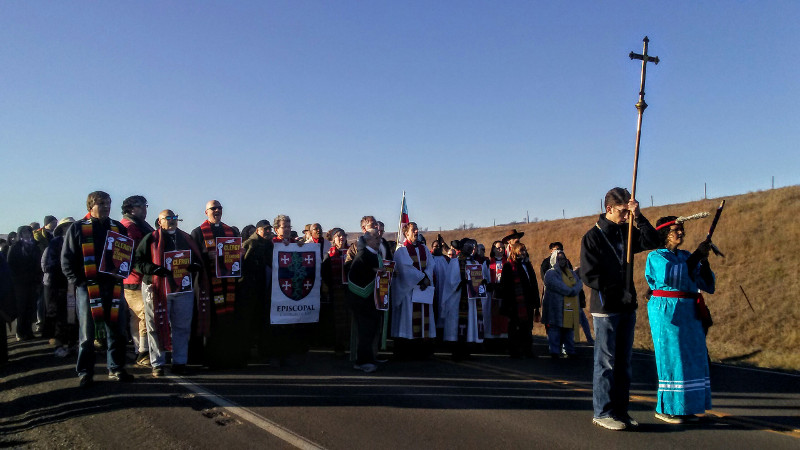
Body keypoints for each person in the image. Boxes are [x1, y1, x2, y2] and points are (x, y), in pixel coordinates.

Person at [580, 187, 660, 430]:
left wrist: (640, 215)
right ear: (609, 209)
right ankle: (602, 412)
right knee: (606, 362)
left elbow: (653, 241)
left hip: (627, 306)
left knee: (624, 362)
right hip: (606, 308)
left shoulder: (627, 232)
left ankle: (620, 411)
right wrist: (617, 290)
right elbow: (589, 275)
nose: (627, 216)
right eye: (624, 211)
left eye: (629, 211)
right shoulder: (592, 237)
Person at [646, 216, 715, 424]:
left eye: (682, 230)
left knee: (692, 357)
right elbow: (671, 276)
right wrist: (695, 258)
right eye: (676, 230)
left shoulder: (685, 255)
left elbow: (705, 282)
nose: (681, 233)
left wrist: (703, 260)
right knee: (672, 357)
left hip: (690, 311)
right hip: (667, 312)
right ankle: (666, 408)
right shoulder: (656, 257)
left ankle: (689, 407)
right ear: (664, 233)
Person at [61, 191, 133, 387]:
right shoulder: (78, 228)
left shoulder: (117, 228)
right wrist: (79, 282)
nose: (106, 207)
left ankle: (116, 368)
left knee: (117, 332)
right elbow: (67, 260)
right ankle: (85, 372)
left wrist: (124, 270)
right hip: (89, 287)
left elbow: (128, 255)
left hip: (114, 287)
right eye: (101, 203)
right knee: (87, 334)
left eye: (108, 203)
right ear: (90, 206)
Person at [136, 209, 207, 376]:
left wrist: (194, 266)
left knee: (182, 326)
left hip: (182, 288)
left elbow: (196, 258)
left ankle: (180, 362)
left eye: (174, 217)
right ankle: (158, 363)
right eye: (167, 218)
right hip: (158, 287)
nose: (172, 220)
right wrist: (153, 269)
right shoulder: (151, 238)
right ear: (159, 221)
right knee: (156, 325)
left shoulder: (186, 238)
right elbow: (138, 261)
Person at [190, 200, 246, 368]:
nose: (217, 210)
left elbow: (235, 255)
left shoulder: (231, 231)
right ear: (206, 212)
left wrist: (239, 254)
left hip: (227, 282)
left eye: (219, 208)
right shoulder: (198, 232)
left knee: (227, 319)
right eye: (213, 208)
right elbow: (192, 257)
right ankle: (209, 358)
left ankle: (226, 356)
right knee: (210, 319)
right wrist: (207, 256)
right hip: (207, 282)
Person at [391, 222, 436, 359]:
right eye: (413, 229)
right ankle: (407, 351)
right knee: (408, 321)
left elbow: (431, 265)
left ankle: (423, 351)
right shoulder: (402, 250)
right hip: (409, 292)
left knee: (424, 321)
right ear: (406, 233)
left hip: (423, 291)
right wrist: (423, 279)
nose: (417, 231)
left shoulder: (424, 248)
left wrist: (427, 278)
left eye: (417, 229)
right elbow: (405, 269)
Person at [120, 195, 155, 367]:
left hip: (136, 277)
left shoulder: (135, 225)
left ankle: (138, 349)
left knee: (136, 317)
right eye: (142, 206)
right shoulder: (129, 227)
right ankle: (143, 352)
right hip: (135, 278)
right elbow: (133, 254)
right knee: (145, 314)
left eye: (145, 206)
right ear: (132, 208)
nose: (145, 209)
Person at [346, 229, 384, 373]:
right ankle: (362, 361)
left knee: (372, 331)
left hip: (373, 301)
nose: (379, 239)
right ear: (368, 240)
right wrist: (376, 271)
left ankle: (369, 358)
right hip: (362, 301)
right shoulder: (363, 254)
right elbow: (356, 274)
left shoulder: (375, 255)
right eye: (375, 237)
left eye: (379, 237)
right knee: (365, 332)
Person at [443, 238, 487, 360]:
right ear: (462, 247)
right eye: (468, 246)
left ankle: (468, 348)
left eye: (472, 246)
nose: (470, 248)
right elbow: (451, 282)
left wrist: (481, 283)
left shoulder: (475, 263)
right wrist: (462, 283)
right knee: (459, 325)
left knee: (470, 325)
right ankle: (457, 351)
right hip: (459, 299)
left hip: (472, 300)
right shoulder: (455, 262)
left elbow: (480, 280)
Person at [41, 217, 77, 355]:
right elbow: (49, 264)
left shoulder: (77, 241)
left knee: (73, 315)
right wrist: (66, 268)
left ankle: (73, 343)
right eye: (67, 226)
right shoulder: (56, 242)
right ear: (62, 228)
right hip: (58, 284)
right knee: (60, 315)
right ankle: (59, 345)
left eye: (71, 225)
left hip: (73, 284)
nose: (69, 228)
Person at [240, 219, 274, 358]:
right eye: (264, 229)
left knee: (261, 318)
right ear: (258, 230)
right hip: (249, 286)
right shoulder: (251, 243)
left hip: (261, 285)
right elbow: (243, 263)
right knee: (248, 319)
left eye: (268, 229)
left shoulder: (268, 244)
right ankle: (245, 351)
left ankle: (261, 350)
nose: (267, 231)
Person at [499, 242, 539, 358]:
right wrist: (509, 303)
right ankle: (514, 351)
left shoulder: (528, 265)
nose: (524, 253)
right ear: (515, 252)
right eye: (521, 250)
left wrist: (536, 302)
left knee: (527, 327)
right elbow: (505, 286)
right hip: (515, 302)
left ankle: (527, 350)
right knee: (514, 327)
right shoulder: (509, 266)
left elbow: (533, 283)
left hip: (528, 302)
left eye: (525, 250)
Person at [542, 250, 583, 358]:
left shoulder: (571, 273)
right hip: (555, 307)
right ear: (554, 260)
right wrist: (571, 290)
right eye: (559, 259)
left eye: (563, 259)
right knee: (555, 329)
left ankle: (569, 350)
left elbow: (579, 283)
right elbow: (557, 285)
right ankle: (554, 351)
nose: (562, 261)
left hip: (569, 306)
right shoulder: (550, 273)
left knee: (569, 329)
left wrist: (574, 289)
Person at [7, 225, 42, 341]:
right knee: (21, 308)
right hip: (19, 283)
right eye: (24, 233)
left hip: (33, 281)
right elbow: (10, 265)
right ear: (20, 234)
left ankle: (29, 331)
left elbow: (39, 263)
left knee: (31, 308)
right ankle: (20, 332)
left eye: (28, 232)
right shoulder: (15, 247)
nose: (27, 234)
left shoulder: (35, 246)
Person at [321, 227, 350, 356]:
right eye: (338, 236)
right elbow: (325, 273)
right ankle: (339, 346)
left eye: (343, 235)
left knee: (349, 318)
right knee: (338, 319)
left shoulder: (351, 252)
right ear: (333, 239)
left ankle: (350, 343)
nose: (341, 238)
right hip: (336, 290)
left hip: (350, 290)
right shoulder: (329, 254)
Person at [485, 240, 508, 340]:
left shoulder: (508, 262)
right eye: (498, 248)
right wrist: (488, 285)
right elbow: (484, 277)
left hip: (504, 295)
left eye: (502, 247)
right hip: (491, 295)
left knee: (504, 315)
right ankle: (491, 339)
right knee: (492, 315)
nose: (501, 249)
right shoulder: (488, 263)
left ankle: (503, 338)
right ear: (493, 249)